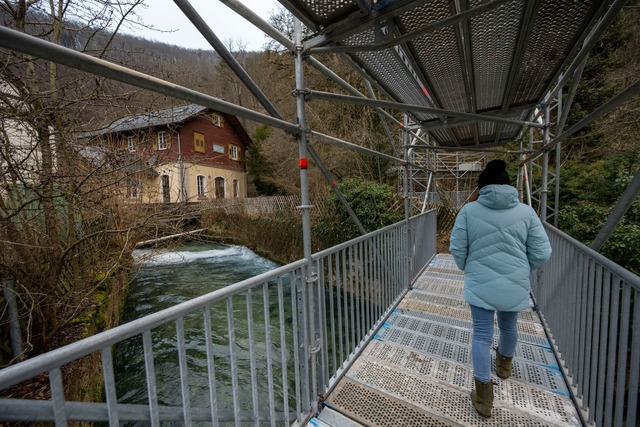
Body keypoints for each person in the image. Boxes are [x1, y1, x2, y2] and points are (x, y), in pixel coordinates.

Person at [449, 159, 552, 418]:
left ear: (481, 187)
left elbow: (458, 248)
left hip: (480, 282)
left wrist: (467, 267)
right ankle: (504, 367)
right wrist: (521, 266)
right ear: (509, 186)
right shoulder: (526, 212)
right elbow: (542, 252)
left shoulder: (469, 211)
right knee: (509, 326)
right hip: (514, 282)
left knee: (482, 335)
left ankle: (483, 398)